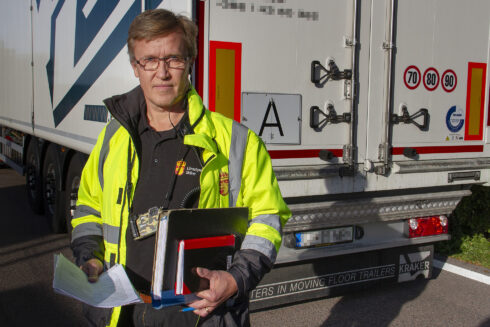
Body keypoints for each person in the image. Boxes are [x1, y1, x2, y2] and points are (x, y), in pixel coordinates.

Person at [71, 8, 290, 327]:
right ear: (135, 67)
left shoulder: (237, 142)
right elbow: (88, 208)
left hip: (200, 315)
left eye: (173, 58)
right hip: (121, 312)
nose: (162, 72)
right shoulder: (112, 138)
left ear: (190, 62)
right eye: (149, 60)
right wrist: (89, 257)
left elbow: (267, 219)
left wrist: (235, 279)